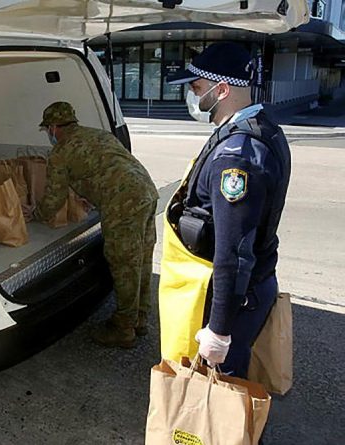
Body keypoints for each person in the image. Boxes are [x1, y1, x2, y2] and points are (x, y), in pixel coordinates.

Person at [161, 42, 291, 378]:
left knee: (222, 400)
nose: (192, 95)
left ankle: (243, 434)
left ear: (221, 89)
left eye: (196, 87)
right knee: (229, 397)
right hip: (247, 289)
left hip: (234, 297)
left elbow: (234, 251)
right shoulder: (260, 126)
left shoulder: (237, 156)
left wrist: (218, 330)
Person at [35, 102, 158, 348]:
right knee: (141, 259)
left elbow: (54, 198)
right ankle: (140, 318)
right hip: (147, 191)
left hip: (122, 203)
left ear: (53, 127)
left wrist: (37, 215)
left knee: (124, 263)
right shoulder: (98, 134)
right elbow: (102, 169)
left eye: (48, 129)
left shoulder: (61, 150)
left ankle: (123, 329)